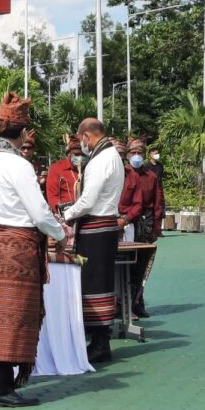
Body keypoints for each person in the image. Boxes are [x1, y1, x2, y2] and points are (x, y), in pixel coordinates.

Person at [0, 92, 66, 407]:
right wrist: (59, 234)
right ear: (23, 133)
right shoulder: (19, 165)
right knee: (12, 316)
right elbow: (39, 213)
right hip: (18, 244)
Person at [63, 118, 124, 363]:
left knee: (94, 284)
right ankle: (99, 340)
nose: (82, 146)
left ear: (87, 136)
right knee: (99, 282)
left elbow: (87, 201)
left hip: (96, 227)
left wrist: (65, 215)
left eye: (81, 140)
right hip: (104, 226)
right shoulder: (112, 156)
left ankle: (99, 343)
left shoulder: (101, 160)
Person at [125, 138, 163, 318]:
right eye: (133, 152)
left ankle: (137, 303)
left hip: (144, 224)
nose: (137, 156)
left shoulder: (151, 177)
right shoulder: (121, 174)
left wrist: (155, 228)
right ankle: (120, 304)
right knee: (123, 264)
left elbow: (158, 204)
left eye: (140, 152)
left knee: (141, 265)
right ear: (127, 155)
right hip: (124, 222)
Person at [46, 135, 84, 215]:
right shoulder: (57, 168)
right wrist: (63, 213)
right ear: (69, 153)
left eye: (82, 154)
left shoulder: (90, 167)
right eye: (76, 155)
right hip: (65, 215)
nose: (80, 158)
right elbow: (52, 196)